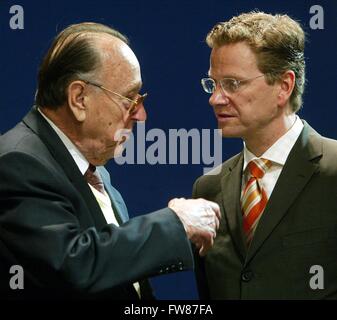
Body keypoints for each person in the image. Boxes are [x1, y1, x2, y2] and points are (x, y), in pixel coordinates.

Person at [0, 22, 221, 300]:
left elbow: (112, 273)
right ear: (79, 98)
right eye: (130, 98)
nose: (142, 116)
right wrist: (175, 223)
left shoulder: (93, 171)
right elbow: (73, 265)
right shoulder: (17, 163)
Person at [193, 11, 337, 299]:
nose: (215, 98)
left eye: (232, 84)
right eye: (213, 84)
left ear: (284, 86)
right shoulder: (208, 188)